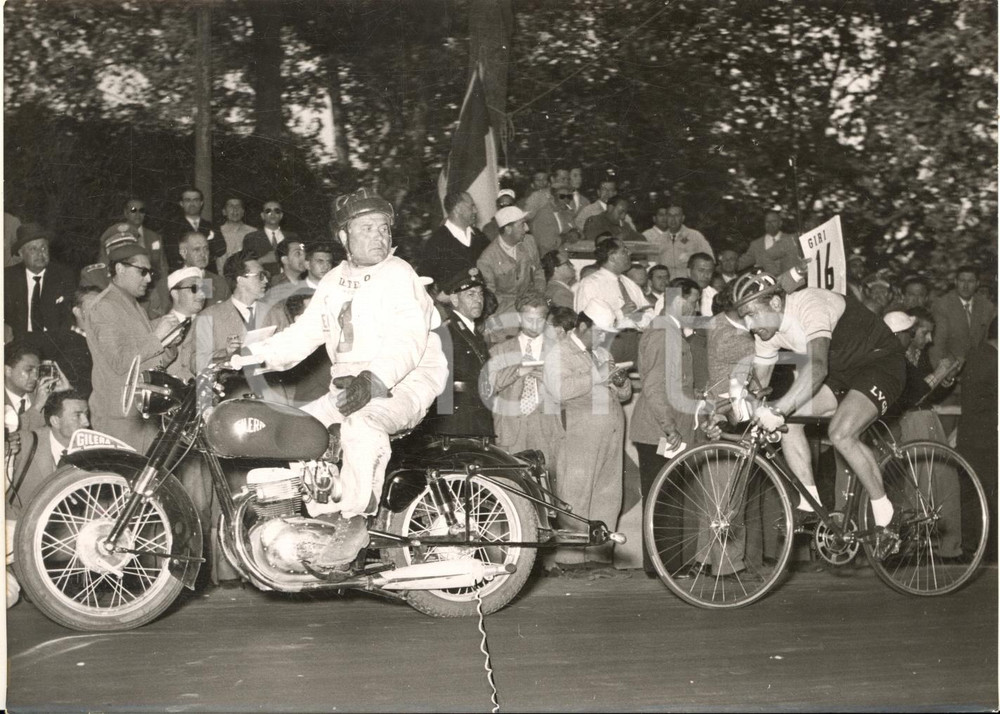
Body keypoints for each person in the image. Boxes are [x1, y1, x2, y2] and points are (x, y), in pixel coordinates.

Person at [240, 188, 449, 522]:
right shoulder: (334, 279)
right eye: (366, 228)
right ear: (343, 236)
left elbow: (407, 338)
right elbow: (303, 334)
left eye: (383, 228)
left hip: (403, 384)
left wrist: (373, 379)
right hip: (348, 388)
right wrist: (247, 355)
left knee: (361, 425)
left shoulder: (399, 273)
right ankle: (325, 515)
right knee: (296, 430)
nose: (379, 235)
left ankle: (356, 519)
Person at [729, 272, 907, 559]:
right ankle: (808, 506)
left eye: (751, 314)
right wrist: (735, 402)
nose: (749, 325)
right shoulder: (767, 333)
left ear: (775, 303)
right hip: (843, 375)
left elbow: (818, 367)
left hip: (880, 364)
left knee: (841, 433)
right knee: (790, 424)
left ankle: (887, 515)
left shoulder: (809, 304)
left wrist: (778, 409)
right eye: (743, 318)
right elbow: (758, 387)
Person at [544, 300, 632, 568]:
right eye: (599, 333)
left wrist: (620, 382)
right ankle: (570, 562)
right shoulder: (560, 352)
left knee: (608, 496)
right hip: (580, 439)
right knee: (576, 498)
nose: (604, 339)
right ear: (582, 326)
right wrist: (597, 376)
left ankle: (599, 560)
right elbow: (559, 389)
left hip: (610, 438)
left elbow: (626, 394)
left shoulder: (602, 353)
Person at [630, 278, 704, 576]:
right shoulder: (664, 332)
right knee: (663, 499)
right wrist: (669, 428)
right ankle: (663, 566)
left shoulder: (670, 330)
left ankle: (669, 564)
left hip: (667, 427)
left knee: (668, 497)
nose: (697, 308)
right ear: (677, 299)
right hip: (659, 430)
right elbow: (654, 386)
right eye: (694, 301)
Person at [85, 236, 183, 451]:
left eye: (150, 273)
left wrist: (170, 343)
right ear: (120, 268)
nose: (148, 279)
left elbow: (150, 362)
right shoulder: (105, 307)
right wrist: (157, 337)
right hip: (119, 417)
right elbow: (120, 361)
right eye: (143, 271)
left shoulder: (132, 305)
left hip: (141, 413)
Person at [486, 296, 562, 469]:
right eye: (529, 319)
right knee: (512, 484)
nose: (534, 325)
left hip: (546, 427)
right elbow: (488, 385)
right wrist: (517, 371)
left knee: (545, 485)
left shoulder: (558, 349)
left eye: (540, 320)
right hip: (511, 429)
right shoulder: (500, 350)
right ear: (519, 318)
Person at [422, 268, 494, 438]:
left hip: (477, 412)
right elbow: (442, 382)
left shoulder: (473, 332)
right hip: (458, 419)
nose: (478, 300)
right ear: (454, 299)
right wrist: (447, 431)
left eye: (480, 294)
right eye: (471, 294)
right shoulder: (446, 332)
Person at [8, 389, 90, 515]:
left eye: (86, 414)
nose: (86, 422)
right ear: (55, 421)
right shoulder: (24, 444)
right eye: (78, 415)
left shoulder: (94, 450)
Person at [4, 223, 77, 357]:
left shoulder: (64, 275)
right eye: (33, 249)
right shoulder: (7, 278)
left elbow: (68, 317)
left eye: (43, 248)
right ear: (20, 253)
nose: (40, 254)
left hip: (55, 343)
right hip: (18, 343)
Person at [958, 316, 997, 562]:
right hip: (983, 437)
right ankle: (981, 549)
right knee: (982, 494)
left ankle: (978, 547)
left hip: (978, 435)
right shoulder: (989, 359)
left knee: (978, 493)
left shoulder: (983, 355)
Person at [573, 238, 652, 362]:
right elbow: (583, 321)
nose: (629, 253)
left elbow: (648, 311)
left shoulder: (629, 283)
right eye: (624, 251)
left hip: (635, 341)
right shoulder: (590, 283)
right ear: (612, 256)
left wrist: (641, 318)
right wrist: (619, 314)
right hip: (607, 343)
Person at [477, 205, 546, 344]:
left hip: (532, 303)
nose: (526, 228)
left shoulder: (529, 242)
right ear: (508, 229)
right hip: (505, 311)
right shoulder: (486, 260)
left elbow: (538, 271)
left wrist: (538, 296)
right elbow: (491, 297)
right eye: (521, 225)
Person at [97, 199, 170, 318]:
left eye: (141, 211)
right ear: (125, 213)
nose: (137, 214)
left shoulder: (154, 237)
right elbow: (106, 270)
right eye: (133, 210)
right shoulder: (115, 236)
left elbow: (162, 269)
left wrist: (164, 299)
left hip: (152, 294)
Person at [422, 191, 491, 295]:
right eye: (471, 206)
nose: (475, 211)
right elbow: (424, 281)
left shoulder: (479, 237)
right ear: (458, 209)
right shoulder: (436, 242)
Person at [929, 265, 996, 368]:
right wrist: (940, 373)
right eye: (962, 281)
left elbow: (988, 341)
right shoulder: (942, 305)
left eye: (970, 281)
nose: (965, 286)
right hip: (950, 367)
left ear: (977, 284)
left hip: (979, 368)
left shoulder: (987, 307)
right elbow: (938, 343)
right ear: (955, 282)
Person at [157, 267, 207, 383]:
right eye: (194, 288)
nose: (202, 294)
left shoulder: (211, 325)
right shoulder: (155, 327)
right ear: (175, 293)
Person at [166, 186, 224, 272]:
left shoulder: (211, 226)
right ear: (181, 203)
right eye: (188, 200)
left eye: (196, 200)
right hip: (183, 273)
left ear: (201, 203)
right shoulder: (172, 227)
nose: (192, 204)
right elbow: (172, 252)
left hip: (207, 273)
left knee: (206, 286)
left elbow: (221, 249)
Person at [647, 205, 713, 279]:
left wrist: (691, 258)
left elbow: (710, 258)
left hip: (689, 283)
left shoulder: (695, 236)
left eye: (677, 215)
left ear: (682, 218)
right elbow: (652, 264)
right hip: (668, 284)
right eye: (670, 215)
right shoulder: (659, 240)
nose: (673, 219)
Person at [242, 200, 299, 273]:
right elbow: (246, 266)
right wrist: (262, 260)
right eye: (268, 211)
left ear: (281, 215)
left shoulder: (293, 237)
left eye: (277, 211)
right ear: (262, 216)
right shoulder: (251, 238)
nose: (273, 213)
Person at [737, 210, 800, 275]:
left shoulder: (791, 240)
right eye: (767, 222)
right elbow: (741, 263)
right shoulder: (756, 245)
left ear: (780, 223)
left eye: (773, 221)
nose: (770, 224)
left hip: (791, 282)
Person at [178, 231, 231, 307]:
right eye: (197, 249)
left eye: (206, 249)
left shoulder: (219, 283)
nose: (203, 254)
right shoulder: (172, 282)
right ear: (183, 253)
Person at [531, 185, 580, 257]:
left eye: (569, 197)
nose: (566, 200)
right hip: (548, 258)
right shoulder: (544, 214)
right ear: (553, 197)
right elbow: (547, 244)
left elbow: (577, 231)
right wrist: (567, 237)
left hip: (563, 254)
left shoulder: (565, 212)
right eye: (562, 196)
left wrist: (576, 233)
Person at [219, 197, 257, 269]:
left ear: (243, 212)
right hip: (223, 278)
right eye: (231, 206)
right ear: (224, 212)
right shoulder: (218, 232)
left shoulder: (253, 232)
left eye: (238, 206)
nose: (235, 209)